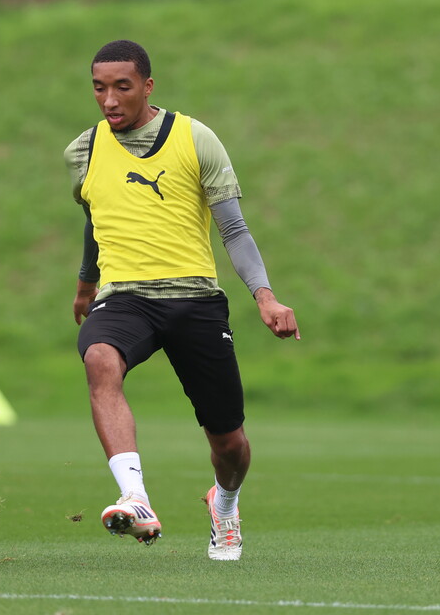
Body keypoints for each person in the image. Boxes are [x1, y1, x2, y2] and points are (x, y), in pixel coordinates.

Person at [64, 40, 300, 561]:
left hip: (194, 299)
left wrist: (265, 297)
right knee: (100, 359)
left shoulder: (196, 139)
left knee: (230, 443)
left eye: (121, 87)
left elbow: (234, 229)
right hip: (124, 297)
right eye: (99, 88)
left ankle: (226, 502)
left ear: (148, 86)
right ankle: (136, 497)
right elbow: (95, 217)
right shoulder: (83, 151)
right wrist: (87, 282)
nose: (109, 100)